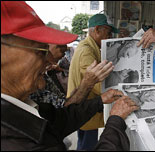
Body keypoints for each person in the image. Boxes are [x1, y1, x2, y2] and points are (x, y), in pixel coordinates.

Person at [1, 1, 139, 151]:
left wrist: (100, 101)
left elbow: (60, 120)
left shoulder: (25, 108)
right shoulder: (11, 139)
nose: (49, 61)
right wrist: (116, 121)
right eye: (40, 51)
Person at [66, 14, 120, 150]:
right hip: (86, 106)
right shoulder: (87, 51)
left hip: (83, 105)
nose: (109, 37)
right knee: (88, 145)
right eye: (108, 33)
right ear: (97, 30)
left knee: (84, 141)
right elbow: (96, 84)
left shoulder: (87, 46)